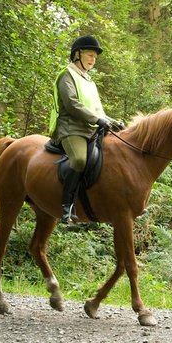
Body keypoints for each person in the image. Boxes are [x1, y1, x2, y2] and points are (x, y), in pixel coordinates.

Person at [49, 34, 125, 223]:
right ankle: (67, 205)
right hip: (71, 129)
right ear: (77, 54)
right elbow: (73, 104)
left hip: (90, 128)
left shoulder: (88, 81)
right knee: (80, 159)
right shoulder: (66, 75)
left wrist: (112, 121)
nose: (93, 60)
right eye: (90, 55)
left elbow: (97, 110)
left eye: (95, 57)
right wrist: (98, 120)